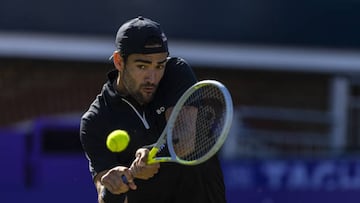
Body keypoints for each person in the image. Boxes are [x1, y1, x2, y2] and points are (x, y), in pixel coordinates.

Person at [80, 16, 226, 203]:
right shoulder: (95, 120)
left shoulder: (176, 73)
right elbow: (103, 192)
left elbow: (184, 141)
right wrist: (114, 185)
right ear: (119, 62)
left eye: (159, 66)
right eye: (142, 66)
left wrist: (150, 153)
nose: (152, 78)